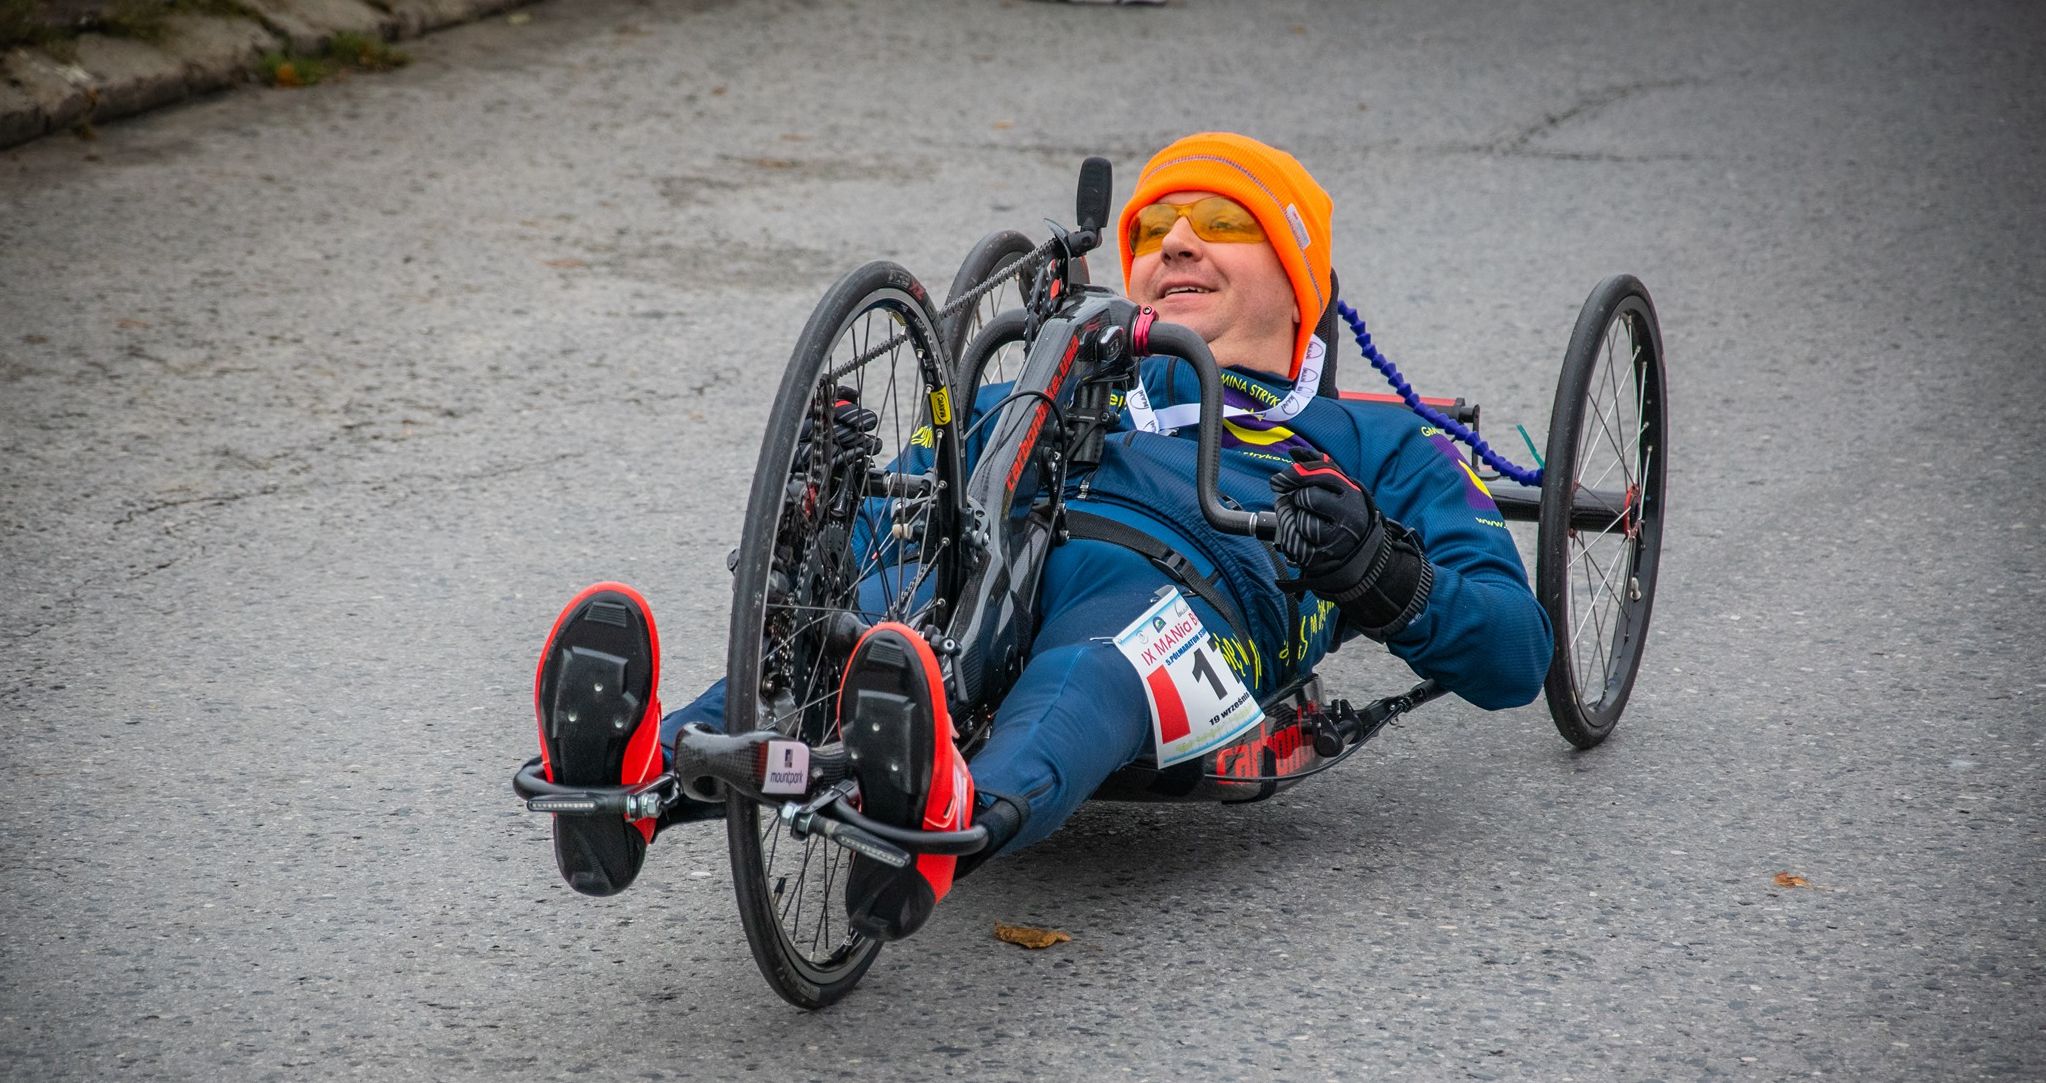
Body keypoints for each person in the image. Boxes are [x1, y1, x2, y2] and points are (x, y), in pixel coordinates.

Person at [527, 132, 1554, 940]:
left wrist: (1377, 566)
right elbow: (937, 501)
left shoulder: (1379, 438)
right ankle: (632, 780)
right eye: (1155, 232)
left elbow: (1517, 653)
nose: (1177, 243)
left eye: (1221, 221)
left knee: (1095, 670)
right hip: (989, 553)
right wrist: (838, 513)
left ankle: (942, 814)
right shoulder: (1059, 375)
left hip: (1183, 596)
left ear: (1300, 277)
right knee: (855, 625)